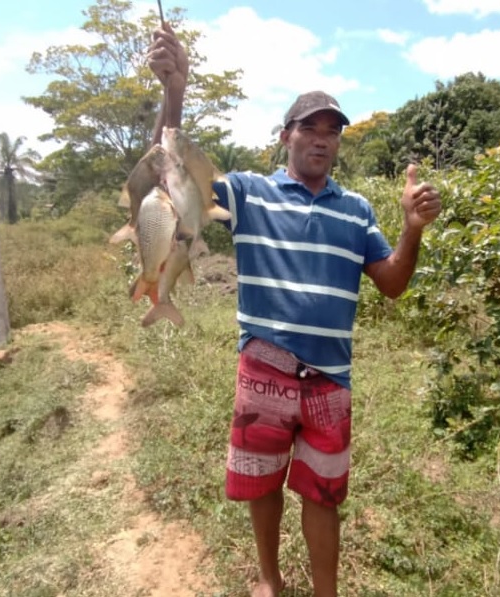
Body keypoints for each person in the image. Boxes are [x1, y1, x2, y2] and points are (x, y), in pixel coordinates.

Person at [147, 22, 442, 597]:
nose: (323, 139)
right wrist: (175, 95)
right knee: (261, 484)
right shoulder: (248, 194)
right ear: (286, 135)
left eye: (333, 131)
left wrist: (412, 230)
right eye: (311, 127)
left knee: (322, 493)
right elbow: (171, 179)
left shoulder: (356, 211)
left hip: (330, 381)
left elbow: (393, 284)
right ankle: (269, 579)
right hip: (264, 369)